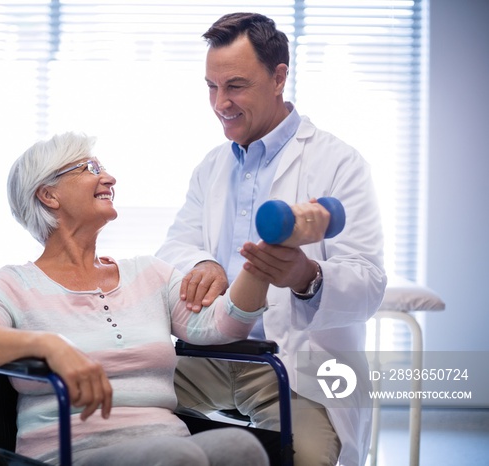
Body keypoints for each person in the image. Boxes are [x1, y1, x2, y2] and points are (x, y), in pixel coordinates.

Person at [0, 132, 331, 465]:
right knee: (181, 459)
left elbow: (221, 326)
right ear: (49, 195)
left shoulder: (148, 273)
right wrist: (46, 344)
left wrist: (263, 258)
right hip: (75, 453)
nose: (109, 177)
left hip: (169, 445)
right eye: (90, 169)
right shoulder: (15, 284)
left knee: (240, 448)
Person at [155, 12, 387, 466]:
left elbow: (369, 284)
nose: (220, 102)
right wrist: (203, 262)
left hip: (295, 367)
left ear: (279, 77)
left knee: (308, 459)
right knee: (126, 426)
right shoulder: (212, 166)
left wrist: (308, 276)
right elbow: (174, 247)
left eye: (235, 86)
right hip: (210, 356)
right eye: (211, 86)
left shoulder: (340, 163)